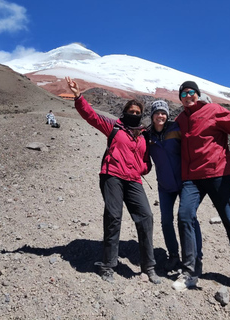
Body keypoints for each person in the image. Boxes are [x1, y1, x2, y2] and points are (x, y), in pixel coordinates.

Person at [65, 76, 160, 284]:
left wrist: (141, 168)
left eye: (137, 113)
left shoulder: (144, 135)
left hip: (134, 179)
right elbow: (91, 116)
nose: (133, 115)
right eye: (130, 112)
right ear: (124, 112)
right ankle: (108, 264)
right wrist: (78, 96)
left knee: (146, 216)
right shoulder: (114, 126)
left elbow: (147, 163)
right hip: (112, 175)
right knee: (114, 216)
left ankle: (149, 266)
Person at [173, 80, 230, 299]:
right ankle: (190, 271)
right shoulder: (180, 120)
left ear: (198, 94)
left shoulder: (213, 110)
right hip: (192, 179)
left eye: (191, 92)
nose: (188, 96)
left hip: (218, 175)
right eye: (183, 94)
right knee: (184, 216)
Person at [147, 100, 203, 273]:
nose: (160, 116)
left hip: (185, 181)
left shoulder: (176, 129)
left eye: (163, 113)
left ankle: (196, 257)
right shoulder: (147, 135)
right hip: (164, 185)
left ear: (167, 115)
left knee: (188, 218)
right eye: (157, 113)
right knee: (166, 221)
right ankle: (173, 255)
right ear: (152, 116)